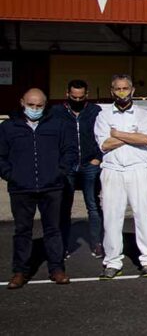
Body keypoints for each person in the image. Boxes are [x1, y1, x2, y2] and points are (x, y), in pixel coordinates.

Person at [0, 88, 76, 288]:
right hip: (21, 188)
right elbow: (1, 156)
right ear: (22, 102)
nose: (35, 109)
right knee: (23, 231)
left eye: (39, 105)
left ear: (45, 105)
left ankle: (57, 269)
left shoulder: (57, 125)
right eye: (31, 105)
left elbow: (69, 151)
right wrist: (11, 175)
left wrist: (59, 172)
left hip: (51, 187)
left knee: (53, 230)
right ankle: (20, 272)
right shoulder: (9, 127)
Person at [95, 74, 147, 279]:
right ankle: (112, 261)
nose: (122, 92)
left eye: (125, 88)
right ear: (112, 91)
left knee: (143, 215)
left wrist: (117, 134)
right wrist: (132, 136)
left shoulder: (143, 114)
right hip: (112, 170)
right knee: (112, 217)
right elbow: (104, 145)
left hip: (138, 169)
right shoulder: (103, 115)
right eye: (117, 88)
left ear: (132, 90)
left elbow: (146, 139)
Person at [53, 79, 104, 259]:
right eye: (74, 97)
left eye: (81, 97)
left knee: (93, 205)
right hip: (67, 166)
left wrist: (98, 158)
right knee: (64, 207)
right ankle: (64, 246)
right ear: (67, 94)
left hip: (90, 164)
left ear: (86, 95)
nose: (77, 100)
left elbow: (102, 135)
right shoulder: (57, 112)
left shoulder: (95, 111)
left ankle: (97, 243)